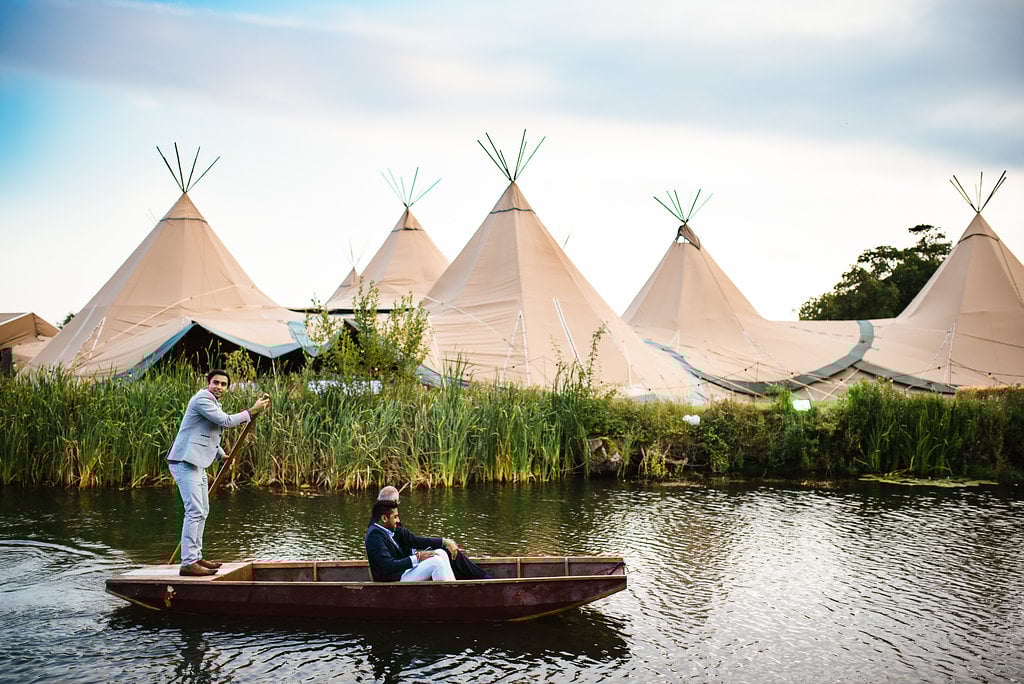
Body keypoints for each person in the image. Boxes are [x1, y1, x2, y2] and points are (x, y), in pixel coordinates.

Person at [167, 369, 270, 576]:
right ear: (208, 383)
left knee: (202, 511)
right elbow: (225, 422)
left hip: (198, 462)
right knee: (194, 511)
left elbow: (206, 432)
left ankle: (196, 557)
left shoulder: (213, 402)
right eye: (216, 382)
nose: (219, 387)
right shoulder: (202, 399)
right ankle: (188, 563)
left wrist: (221, 455)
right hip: (184, 461)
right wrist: (252, 410)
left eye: (223, 384)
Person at [365, 500, 455, 582]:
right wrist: (417, 557)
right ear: (384, 518)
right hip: (393, 579)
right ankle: (448, 596)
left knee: (440, 553)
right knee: (437, 563)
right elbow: (387, 566)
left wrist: (444, 542)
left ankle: (454, 588)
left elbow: (415, 540)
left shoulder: (387, 529)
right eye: (395, 517)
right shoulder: (375, 535)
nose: (398, 520)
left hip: (401, 572)